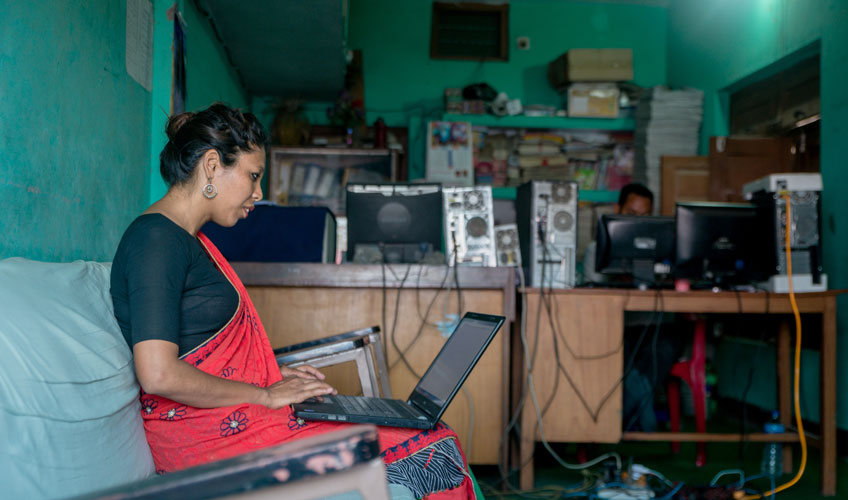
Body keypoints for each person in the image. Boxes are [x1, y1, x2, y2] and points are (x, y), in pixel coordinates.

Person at [110, 103, 475, 499]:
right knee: (433, 447)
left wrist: (274, 377)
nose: (258, 193)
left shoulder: (186, 240)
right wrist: (265, 393)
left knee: (429, 435)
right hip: (203, 441)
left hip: (229, 421)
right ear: (212, 166)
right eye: (253, 176)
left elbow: (203, 350)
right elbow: (158, 374)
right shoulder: (157, 240)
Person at [580, 183, 684, 432]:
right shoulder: (597, 249)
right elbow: (590, 294)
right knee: (616, 352)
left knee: (666, 345)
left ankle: (615, 422)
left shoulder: (662, 251)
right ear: (617, 209)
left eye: (645, 216)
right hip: (616, 328)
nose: (638, 221)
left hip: (656, 326)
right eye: (631, 213)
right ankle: (641, 419)